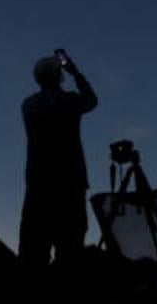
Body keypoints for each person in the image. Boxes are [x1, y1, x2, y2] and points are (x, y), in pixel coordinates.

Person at [19, 51, 98, 270]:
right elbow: (91, 101)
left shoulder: (28, 105)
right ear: (59, 76)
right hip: (70, 183)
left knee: (33, 250)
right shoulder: (70, 101)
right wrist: (75, 72)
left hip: (37, 184)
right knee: (70, 249)